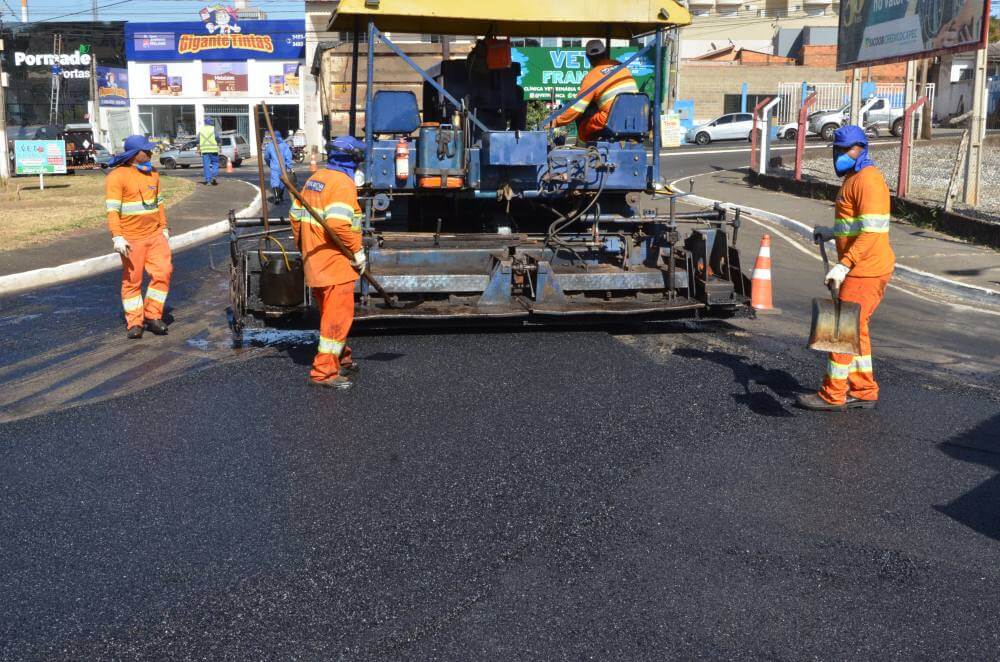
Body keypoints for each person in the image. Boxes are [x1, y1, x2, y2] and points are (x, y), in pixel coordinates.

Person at [797, 125, 894, 412]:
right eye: (836, 150)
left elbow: (871, 232)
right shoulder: (853, 178)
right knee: (857, 330)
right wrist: (832, 233)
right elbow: (854, 225)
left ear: (860, 148)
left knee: (841, 332)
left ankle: (833, 394)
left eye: (843, 150)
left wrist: (844, 265)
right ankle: (863, 390)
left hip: (866, 270)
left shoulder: (869, 181)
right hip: (860, 268)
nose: (838, 155)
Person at [288, 136, 367, 390]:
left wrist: (303, 247)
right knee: (337, 317)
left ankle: (342, 358)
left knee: (329, 314)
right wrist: (357, 252)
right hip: (336, 264)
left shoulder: (316, 179)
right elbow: (338, 225)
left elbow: (295, 216)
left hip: (315, 261)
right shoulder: (343, 184)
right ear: (353, 160)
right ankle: (323, 372)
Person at [105, 135, 173, 339]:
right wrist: (117, 237)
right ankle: (135, 322)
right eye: (147, 150)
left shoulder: (153, 174)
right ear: (135, 154)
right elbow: (113, 211)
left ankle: (153, 316)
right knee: (132, 280)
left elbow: (159, 203)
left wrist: (164, 227)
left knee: (164, 272)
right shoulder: (117, 177)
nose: (151, 153)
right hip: (131, 239)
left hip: (155, 236)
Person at [551, 39, 638, 143]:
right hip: (636, 119)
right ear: (605, 53)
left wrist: (555, 122)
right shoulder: (621, 67)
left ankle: (586, 150)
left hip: (612, 121)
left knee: (583, 120)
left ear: (588, 58)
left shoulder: (592, 76)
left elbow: (576, 108)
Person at [263, 131, 294, 204]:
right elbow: (288, 157)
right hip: (283, 167)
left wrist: (269, 164)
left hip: (274, 167)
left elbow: (266, 157)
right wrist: (289, 166)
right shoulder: (284, 145)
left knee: (275, 182)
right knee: (282, 182)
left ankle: (277, 197)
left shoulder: (270, 146)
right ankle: (281, 196)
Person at [198, 117, 221, 186]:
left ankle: (208, 181)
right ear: (211, 123)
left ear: (205, 123)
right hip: (213, 150)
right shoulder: (213, 129)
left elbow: (197, 141)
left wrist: (199, 150)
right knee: (215, 163)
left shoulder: (201, 130)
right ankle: (214, 175)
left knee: (206, 166)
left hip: (205, 151)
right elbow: (217, 138)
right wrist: (219, 145)